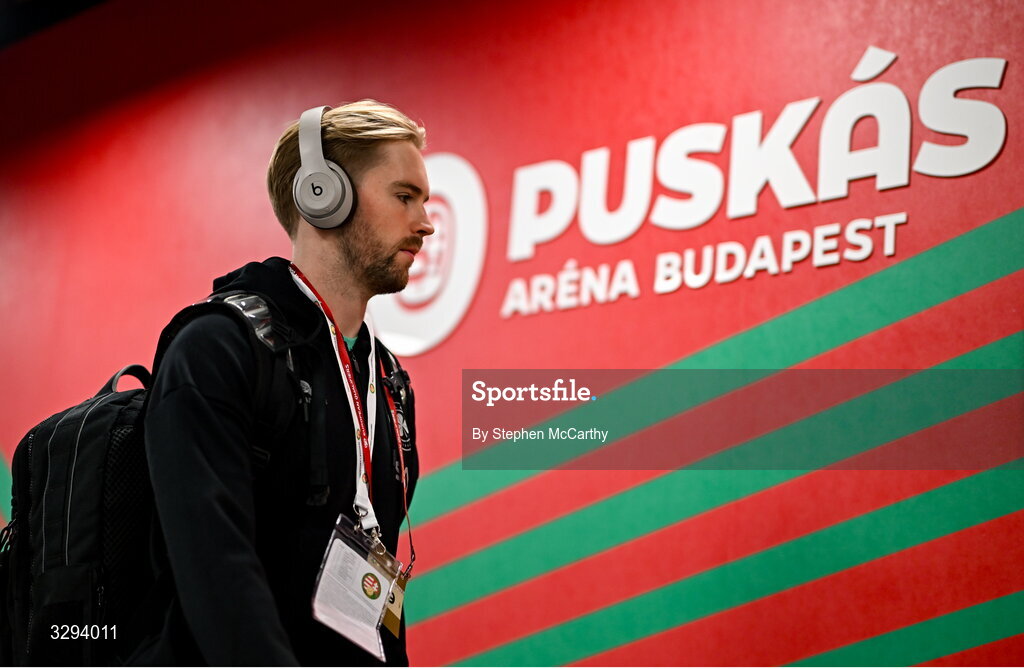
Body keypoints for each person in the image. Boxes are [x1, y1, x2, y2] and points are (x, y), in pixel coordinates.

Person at [137, 100, 431, 666]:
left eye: (425, 201)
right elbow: (215, 572)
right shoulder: (218, 348)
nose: (425, 222)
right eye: (403, 196)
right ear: (322, 195)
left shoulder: (390, 384)